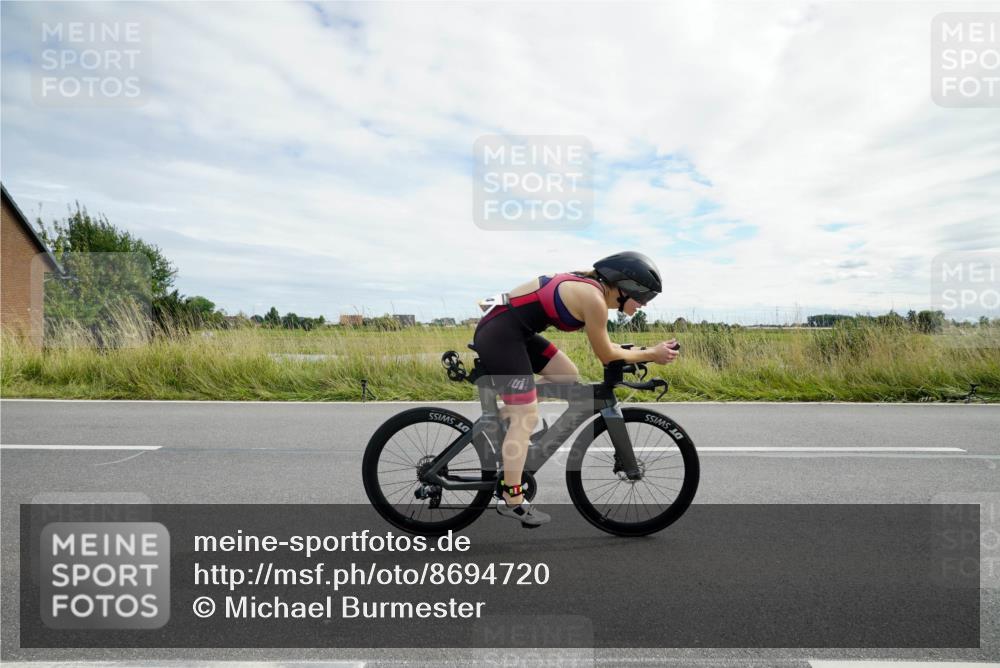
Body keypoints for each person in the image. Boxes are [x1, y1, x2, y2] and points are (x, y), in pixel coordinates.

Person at [472, 251, 680, 527]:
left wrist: (646, 351)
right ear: (625, 287)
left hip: (514, 331)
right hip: (501, 334)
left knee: (566, 374)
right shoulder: (594, 299)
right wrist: (651, 354)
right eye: (644, 297)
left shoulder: (594, 289)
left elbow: (608, 346)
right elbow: (606, 355)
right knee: (527, 416)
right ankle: (512, 499)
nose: (643, 304)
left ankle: (508, 413)